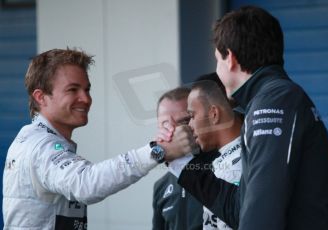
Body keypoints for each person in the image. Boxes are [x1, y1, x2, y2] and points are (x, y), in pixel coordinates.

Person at [162, 6, 328, 230]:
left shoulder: (275, 101)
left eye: (217, 60)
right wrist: (182, 162)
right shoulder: (267, 101)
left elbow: (261, 214)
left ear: (230, 58)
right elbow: (241, 210)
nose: (217, 70)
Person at [2, 48, 195, 230]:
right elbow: (85, 184)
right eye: (72, 90)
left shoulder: (34, 139)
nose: (85, 99)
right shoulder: (40, 145)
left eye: (87, 89)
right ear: (41, 97)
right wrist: (158, 151)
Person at [186, 74, 243, 230]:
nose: (189, 125)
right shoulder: (225, 158)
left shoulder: (239, 164)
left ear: (214, 114)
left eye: (192, 116)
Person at [152, 87, 203, 230]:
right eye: (166, 125)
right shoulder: (161, 187)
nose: (174, 132)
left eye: (183, 122)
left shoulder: (224, 172)